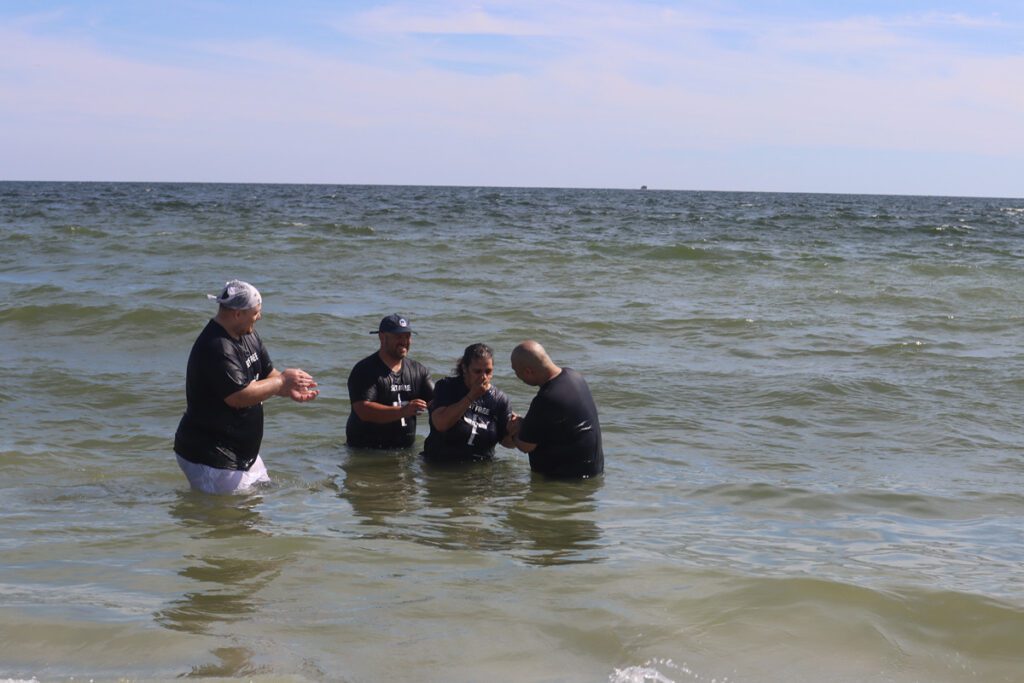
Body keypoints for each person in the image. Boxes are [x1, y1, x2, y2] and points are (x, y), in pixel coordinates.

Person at [173, 280, 319, 494]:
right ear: (237, 314)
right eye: (256, 312)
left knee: (263, 501)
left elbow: (268, 373)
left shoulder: (247, 333)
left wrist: (287, 389)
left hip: (243, 454)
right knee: (235, 519)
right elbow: (238, 396)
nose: (259, 317)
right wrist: (281, 382)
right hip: (211, 455)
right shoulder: (216, 346)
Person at [507, 340, 604, 478]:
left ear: (528, 372)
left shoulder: (547, 399)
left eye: (517, 372)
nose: (518, 377)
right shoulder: (574, 376)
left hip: (565, 480)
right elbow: (554, 425)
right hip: (592, 471)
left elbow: (526, 446)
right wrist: (525, 424)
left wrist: (513, 431)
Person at [346, 313, 434, 449]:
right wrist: (403, 411)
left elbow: (438, 402)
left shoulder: (419, 370)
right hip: (366, 453)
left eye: (407, 336)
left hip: (405, 453)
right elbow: (363, 410)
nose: (404, 341)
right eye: (398, 336)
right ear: (382, 337)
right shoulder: (365, 370)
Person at [422, 343, 516, 462]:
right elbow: (440, 424)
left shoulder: (499, 399)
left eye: (488, 371)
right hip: (442, 466)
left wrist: (516, 431)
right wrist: (471, 396)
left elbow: (506, 442)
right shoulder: (447, 387)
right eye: (477, 371)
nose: (483, 377)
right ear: (464, 369)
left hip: (481, 470)